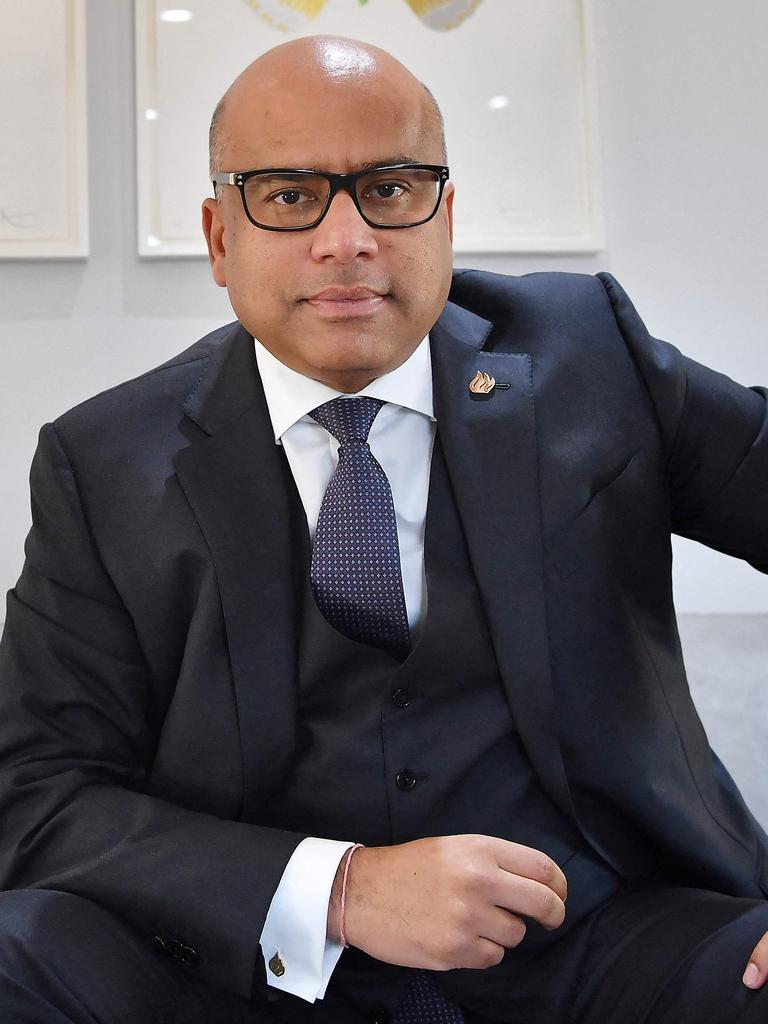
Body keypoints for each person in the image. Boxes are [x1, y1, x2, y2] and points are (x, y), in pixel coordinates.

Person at [0, 33, 766, 1024]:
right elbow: (37, 793)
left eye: (392, 188)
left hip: (605, 944)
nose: (345, 238)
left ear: (448, 215)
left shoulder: (590, 356)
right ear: (220, 237)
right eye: (287, 195)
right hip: (247, 971)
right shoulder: (103, 460)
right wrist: (342, 889)